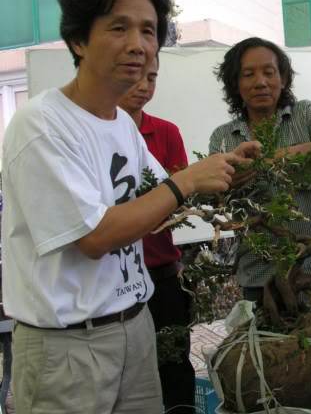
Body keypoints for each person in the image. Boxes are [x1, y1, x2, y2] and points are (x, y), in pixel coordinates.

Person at [1, 0, 257, 414]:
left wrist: (234, 172)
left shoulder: (122, 124)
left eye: (149, 31)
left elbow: (161, 204)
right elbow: (95, 237)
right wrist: (187, 181)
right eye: (118, 27)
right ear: (79, 41)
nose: (138, 44)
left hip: (136, 325)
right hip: (67, 347)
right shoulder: (42, 125)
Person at [209, 37, 311, 304]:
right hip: (259, 273)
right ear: (235, 84)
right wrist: (228, 185)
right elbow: (215, 195)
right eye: (248, 74)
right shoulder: (224, 138)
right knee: (266, 343)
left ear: (284, 78)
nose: (261, 82)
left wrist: (276, 157)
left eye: (269, 72)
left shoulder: (306, 115)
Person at [118, 56, 194, 413]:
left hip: (161, 271)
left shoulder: (165, 131)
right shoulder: (96, 132)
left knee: (174, 362)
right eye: (135, 76)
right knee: (127, 371)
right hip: (116, 279)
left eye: (152, 77)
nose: (144, 85)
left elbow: (181, 197)